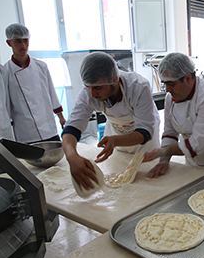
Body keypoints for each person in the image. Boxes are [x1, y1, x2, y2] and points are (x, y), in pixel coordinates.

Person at [63, 52, 160, 190]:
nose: (92, 94)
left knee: (147, 186)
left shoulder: (138, 86)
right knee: (120, 186)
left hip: (145, 144)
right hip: (116, 137)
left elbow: (145, 132)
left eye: (97, 88)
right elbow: (72, 127)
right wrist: (71, 155)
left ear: (114, 80)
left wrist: (115, 140)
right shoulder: (89, 91)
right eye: (87, 87)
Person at [4, 23, 65, 143]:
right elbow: (6, 104)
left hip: (48, 126)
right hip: (25, 131)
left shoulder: (41, 66)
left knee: (57, 158)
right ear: (9, 43)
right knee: (30, 161)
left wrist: (61, 118)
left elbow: (52, 93)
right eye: (17, 41)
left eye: (25, 41)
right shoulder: (4, 72)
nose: (23, 45)